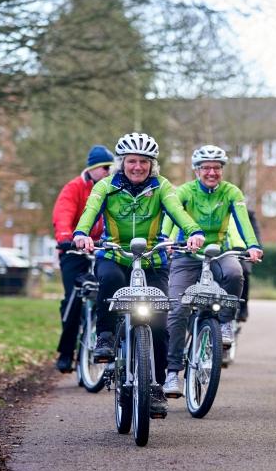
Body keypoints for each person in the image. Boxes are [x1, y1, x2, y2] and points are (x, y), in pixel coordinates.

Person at [72, 133, 204, 418]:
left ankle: (155, 386)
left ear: (152, 164)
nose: (137, 167)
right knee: (111, 280)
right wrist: (82, 233)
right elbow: (90, 210)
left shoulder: (162, 187)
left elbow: (179, 212)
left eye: (144, 161)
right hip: (114, 255)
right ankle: (106, 336)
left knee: (157, 323)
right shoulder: (106, 186)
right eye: (132, 161)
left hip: (152, 259)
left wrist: (193, 232)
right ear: (122, 163)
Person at [161, 145, 262, 399]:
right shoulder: (184, 191)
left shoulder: (231, 192)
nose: (211, 172)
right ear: (196, 170)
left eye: (216, 167)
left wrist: (252, 246)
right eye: (206, 167)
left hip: (219, 252)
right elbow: (171, 218)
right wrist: (166, 240)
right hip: (187, 254)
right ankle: (173, 372)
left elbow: (242, 221)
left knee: (235, 274)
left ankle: (226, 322)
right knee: (178, 307)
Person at [51, 144, 114, 374]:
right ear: (94, 168)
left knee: (108, 294)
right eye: (106, 167)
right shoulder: (74, 187)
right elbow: (63, 213)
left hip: (101, 248)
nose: (109, 171)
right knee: (73, 299)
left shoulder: (111, 188)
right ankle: (66, 352)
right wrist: (67, 237)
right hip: (74, 250)